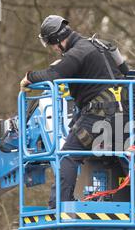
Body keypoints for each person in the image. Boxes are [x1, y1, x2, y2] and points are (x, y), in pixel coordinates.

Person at [20, 15, 129, 208]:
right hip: (122, 112)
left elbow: (54, 75)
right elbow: (125, 69)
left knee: (68, 155)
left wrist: (30, 77)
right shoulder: (98, 45)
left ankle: (59, 205)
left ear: (57, 40)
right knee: (124, 158)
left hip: (99, 115)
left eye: (53, 45)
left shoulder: (77, 52)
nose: (54, 50)